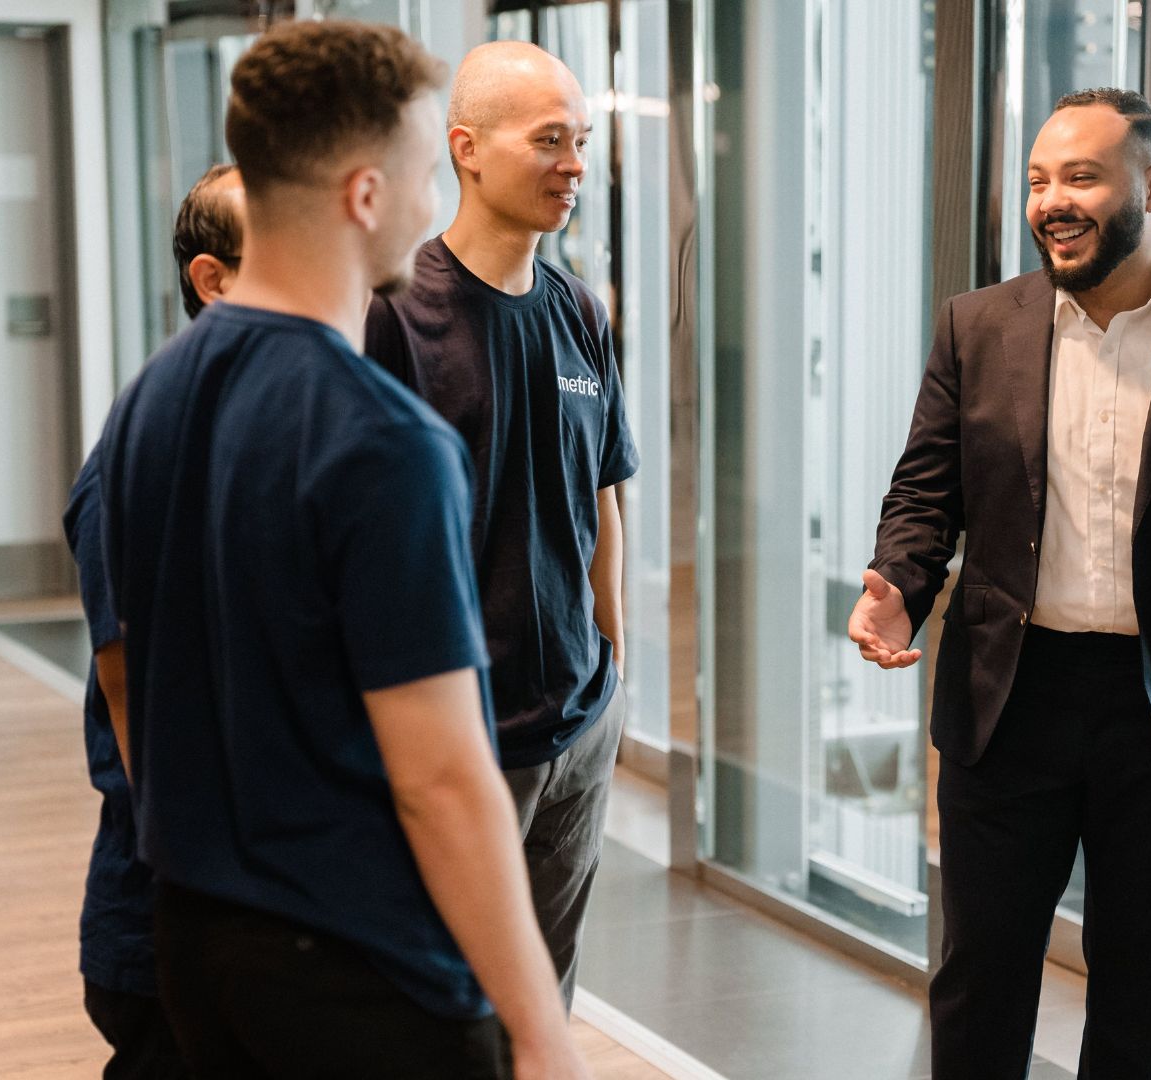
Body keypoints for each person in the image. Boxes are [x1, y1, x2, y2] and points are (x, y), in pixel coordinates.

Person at [97, 22, 588, 1078]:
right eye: (422, 174)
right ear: (367, 195)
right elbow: (444, 779)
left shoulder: (148, 404)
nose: (430, 206)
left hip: (195, 946)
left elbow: (140, 676)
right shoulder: (383, 437)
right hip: (362, 971)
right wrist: (541, 1031)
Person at [849, 88, 1151, 1079]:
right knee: (979, 988)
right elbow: (925, 494)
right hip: (1009, 700)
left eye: (1080, 177)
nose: (1051, 201)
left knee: (1139, 997)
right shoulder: (976, 326)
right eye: (1037, 180)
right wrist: (899, 579)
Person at [365, 40, 638, 1003]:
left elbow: (604, 492)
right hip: (460, 742)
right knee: (442, 1009)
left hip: (578, 725)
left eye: (584, 141)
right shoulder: (393, 317)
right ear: (466, 148)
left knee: (545, 1002)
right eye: (550, 140)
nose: (575, 165)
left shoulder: (579, 313)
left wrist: (614, 664)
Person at [63, 162, 242, 1080]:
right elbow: (131, 687)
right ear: (213, 281)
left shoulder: (278, 434)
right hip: (167, 916)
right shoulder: (138, 459)